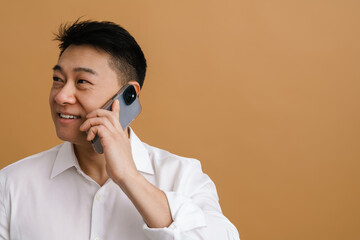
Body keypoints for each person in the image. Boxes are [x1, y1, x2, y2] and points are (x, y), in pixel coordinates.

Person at [0, 20, 240, 240]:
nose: (61, 96)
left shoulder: (182, 175)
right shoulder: (12, 183)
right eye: (57, 79)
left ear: (129, 94)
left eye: (82, 81)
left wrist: (130, 178)